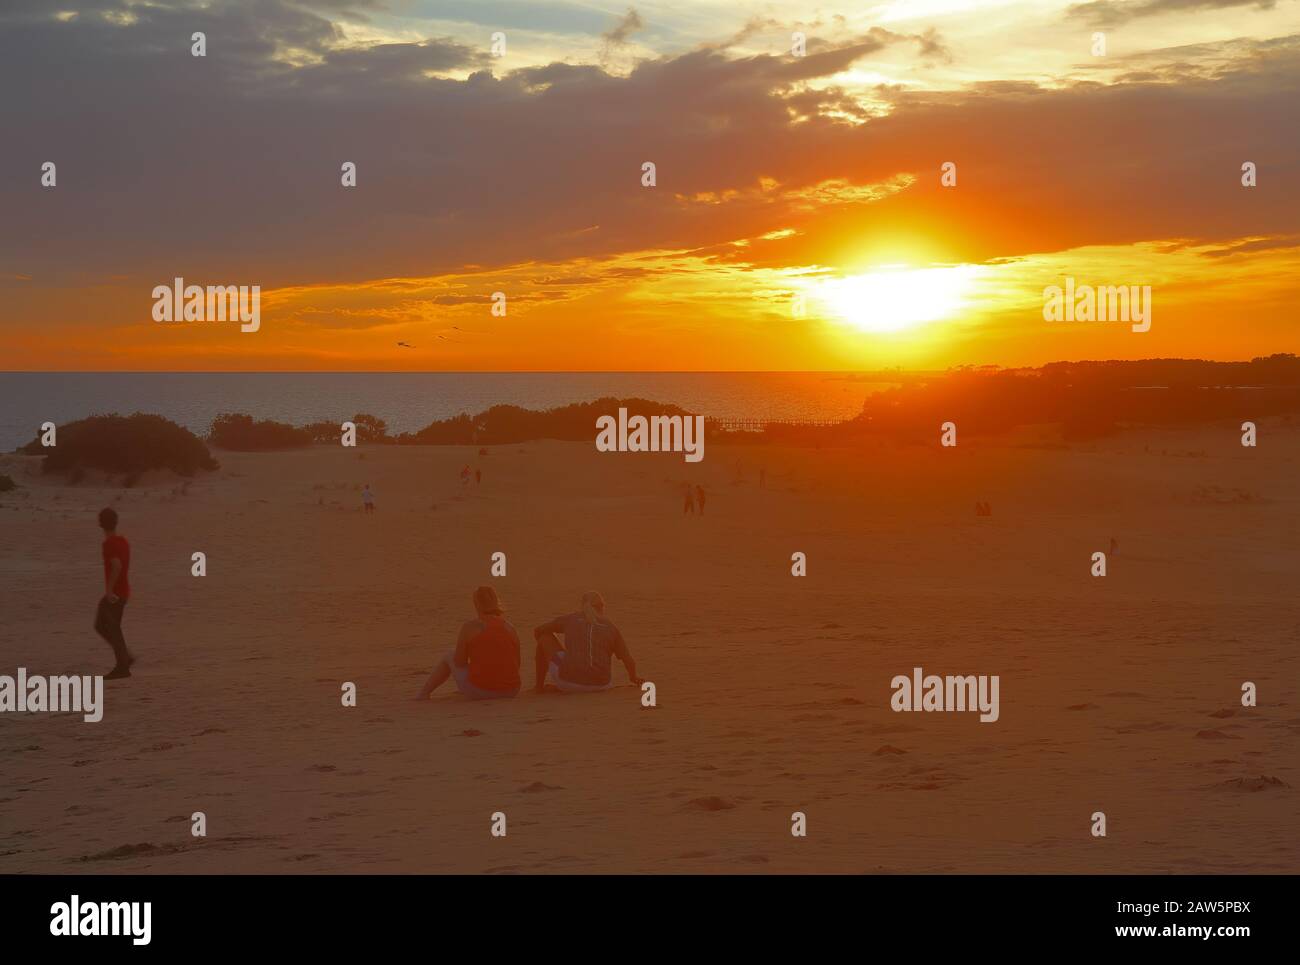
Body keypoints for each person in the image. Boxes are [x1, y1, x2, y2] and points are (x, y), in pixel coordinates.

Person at [415, 586, 521, 701]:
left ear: (476, 604)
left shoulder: (469, 627)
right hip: (512, 691)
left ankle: (424, 694)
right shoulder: (510, 627)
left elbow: (460, 662)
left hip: (481, 692)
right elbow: (517, 662)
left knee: (449, 655)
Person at [533, 591, 641, 693]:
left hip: (567, 681)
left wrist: (549, 655)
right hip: (601, 685)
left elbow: (538, 631)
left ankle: (539, 687)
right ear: (602, 607)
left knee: (544, 637)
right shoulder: (611, 627)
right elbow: (628, 660)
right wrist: (633, 677)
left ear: (583, 605)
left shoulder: (571, 619)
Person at [95, 507, 134, 680]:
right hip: (124, 592)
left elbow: (116, 565)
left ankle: (123, 666)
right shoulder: (123, 541)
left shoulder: (109, 544)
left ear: (101, 524)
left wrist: (109, 590)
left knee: (109, 627)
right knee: (104, 626)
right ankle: (124, 659)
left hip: (115, 595)